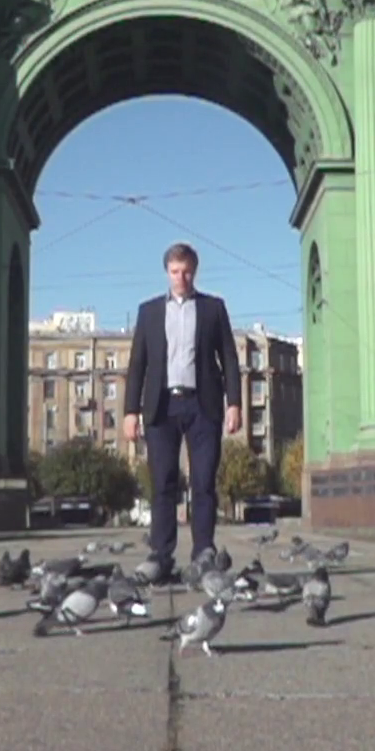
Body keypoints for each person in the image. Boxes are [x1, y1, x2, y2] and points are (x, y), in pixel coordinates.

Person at [124, 243, 243, 584]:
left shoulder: (213, 308)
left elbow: (229, 357)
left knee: (203, 482)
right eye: (175, 271)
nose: (181, 277)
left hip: (203, 406)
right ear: (167, 273)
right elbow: (137, 365)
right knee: (163, 482)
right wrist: (130, 411)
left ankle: (203, 553)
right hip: (161, 408)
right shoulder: (149, 312)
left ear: (195, 271)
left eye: (187, 271)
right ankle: (161, 556)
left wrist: (234, 403)